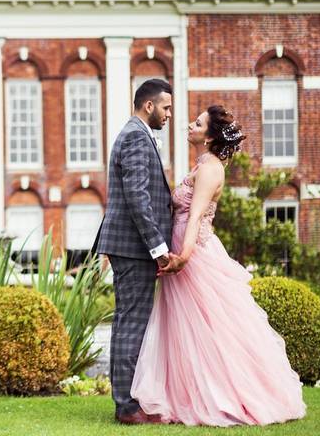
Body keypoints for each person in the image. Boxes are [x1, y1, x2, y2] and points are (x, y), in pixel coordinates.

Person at [131, 105, 306, 426]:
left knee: (210, 329)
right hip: (181, 250)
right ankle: (185, 395)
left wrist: (183, 257)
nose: (189, 125)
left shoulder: (211, 168)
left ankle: (227, 396)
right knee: (185, 329)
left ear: (209, 136)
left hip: (195, 256)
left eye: (197, 124)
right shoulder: (202, 164)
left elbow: (195, 215)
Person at [95, 78, 182, 425]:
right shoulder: (135, 136)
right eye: (167, 107)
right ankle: (127, 406)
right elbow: (137, 197)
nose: (170, 114)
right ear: (149, 106)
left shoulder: (138, 134)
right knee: (131, 323)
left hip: (130, 247)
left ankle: (128, 402)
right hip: (133, 248)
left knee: (129, 322)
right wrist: (158, 248)